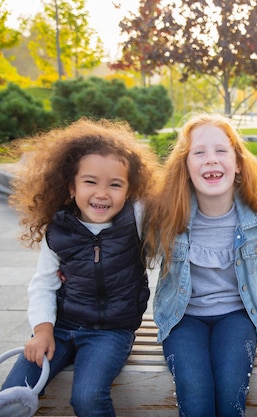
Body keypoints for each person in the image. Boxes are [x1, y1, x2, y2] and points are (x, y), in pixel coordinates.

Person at [1, 119, 157, 417]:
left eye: (115, 184)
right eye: (90, 182)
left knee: (86, 398)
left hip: (111, 332)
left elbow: (175, 208)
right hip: (61, 327)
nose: (102, 193)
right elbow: (43, 284)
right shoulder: (58, 229)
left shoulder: (136, 218)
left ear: (129, 190)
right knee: (11, 393)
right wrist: (42, 330)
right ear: (71, 186)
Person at [142, 113, 257, 417]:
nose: (211, 160)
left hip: (236, 316)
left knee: (231, 396)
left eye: (221, 151)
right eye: (199, 152)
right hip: (183, 318)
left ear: (238, 163)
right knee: (196, 398)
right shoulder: (168, 215)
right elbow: (120, 223)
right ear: (185, 166)